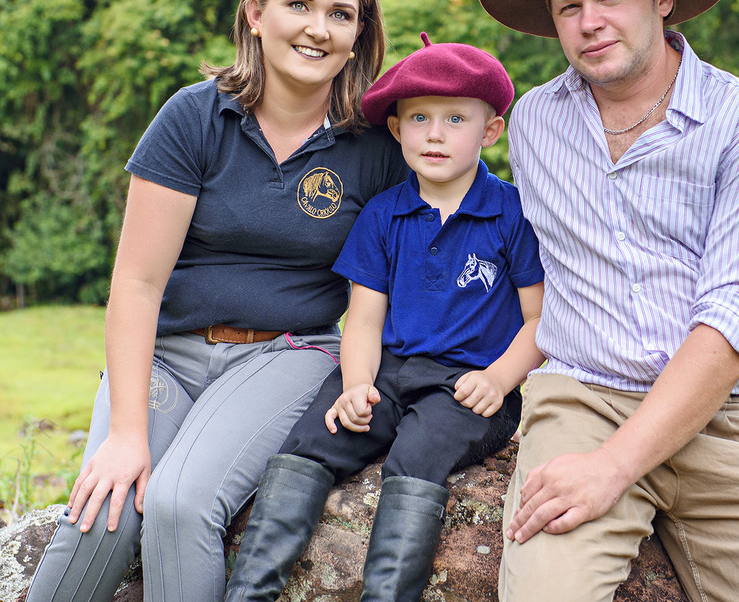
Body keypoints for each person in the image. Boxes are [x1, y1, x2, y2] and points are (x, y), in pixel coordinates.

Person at [475, 0, 739, 602]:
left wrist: (615, 468)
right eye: (569, 7)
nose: (590, 23)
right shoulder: (531, 124)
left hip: (726, 410)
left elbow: (735, 319)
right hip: (584, 395)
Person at [25, 0, 409, 602]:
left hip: (286, 355)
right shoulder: (194, 117)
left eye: (341, 14)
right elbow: (137, 283)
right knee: (105, 510)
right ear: (256, 15)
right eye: (299, 4)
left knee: (177, 505)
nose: (318, 29)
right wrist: (125, 433)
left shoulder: (375, 145)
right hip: (167, 356)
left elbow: (422, 246)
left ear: (358, 35)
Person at [223, 33, 545, 602]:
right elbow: (365, 321)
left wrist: (500, 379)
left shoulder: (512, 212)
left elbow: (541, 318)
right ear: (396, 130)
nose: (436, 133)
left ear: (491, 130)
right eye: (418, 118)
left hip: (468, 386)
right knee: (312, 440)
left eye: (455, 119)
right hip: (389, 373)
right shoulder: (382, 214)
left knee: (417, 456)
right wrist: (355, 386)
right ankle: (249, 592)